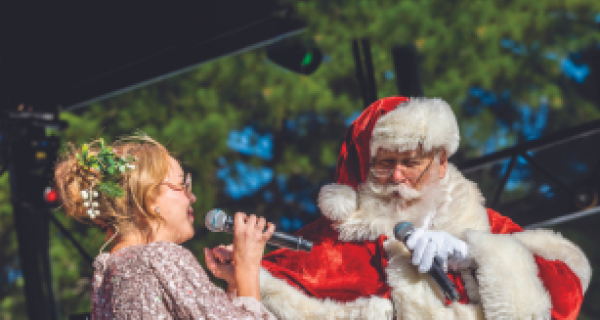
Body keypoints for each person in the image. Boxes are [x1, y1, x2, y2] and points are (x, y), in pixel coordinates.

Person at [213, 97, 591, 319]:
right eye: (383, 163)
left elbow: (565, 297)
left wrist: (472, 256)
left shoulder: (488, 228)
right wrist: (244, 268)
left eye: (410, 162)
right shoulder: (326, 243)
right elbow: (261, 293)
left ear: (441, 161)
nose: (397, 176)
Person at [54, 134, 277, 319]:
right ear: (150, 199)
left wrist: (235, 284)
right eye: (183, 184)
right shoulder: (160, 258)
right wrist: (248, 268)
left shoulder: (109, 272)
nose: (192, 197)